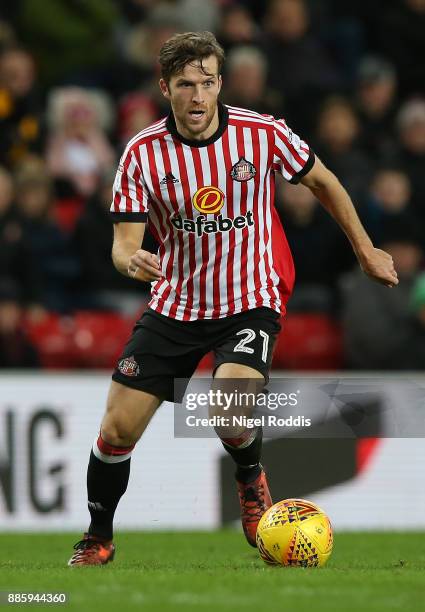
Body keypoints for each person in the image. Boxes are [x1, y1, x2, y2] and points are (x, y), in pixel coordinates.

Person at [67, 31, 398, 566]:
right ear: (164, 88)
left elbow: (324, 182)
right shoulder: (142, 153)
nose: (197, 97)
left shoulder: (261, 133)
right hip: (175, 304)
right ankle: (98, 537)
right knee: (115, 429)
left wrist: (365, 251)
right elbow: (122, 244)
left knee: (231, 411)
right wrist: (132, 260)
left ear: (221, 84)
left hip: (249, 297)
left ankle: (250, 478)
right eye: (184, 85)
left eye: (206, 83)